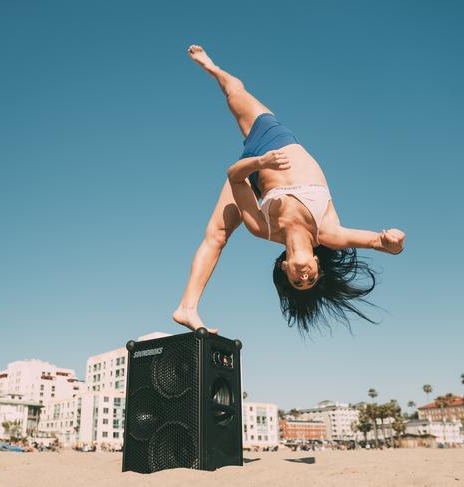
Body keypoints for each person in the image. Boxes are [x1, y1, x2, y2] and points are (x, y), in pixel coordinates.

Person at [173, 45, 405, 335]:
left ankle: (187, 308)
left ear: (285, 269)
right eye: (310, 280)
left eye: (298, 282)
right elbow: (381, 245)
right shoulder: (329, 233)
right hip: (276, 138)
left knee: (217, 235)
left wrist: (259, 161)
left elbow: (234, 178)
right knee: (234, 92)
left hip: (254, 164)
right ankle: (212, 67)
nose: (304, 277)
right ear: (318, 265)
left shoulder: (263, 229)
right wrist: (394, 242)